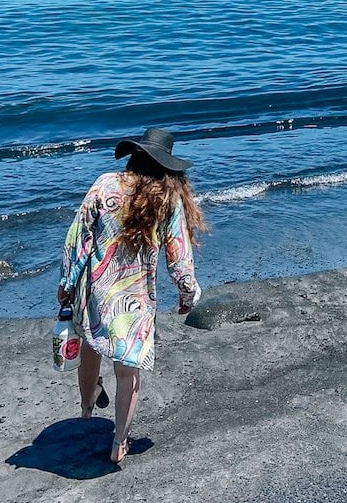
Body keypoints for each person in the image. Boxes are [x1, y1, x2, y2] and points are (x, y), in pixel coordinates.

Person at [57, 127, 207, 463]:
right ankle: (119, 443)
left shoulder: (105, 184)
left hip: (94, 291)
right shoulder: (167, 200)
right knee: (128, 374)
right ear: (168, 167)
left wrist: (66, 283)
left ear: (134, 156)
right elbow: (179, 255)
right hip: (134, 302)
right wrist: (187, 293)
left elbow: (78, 238)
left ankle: (85, 408)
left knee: (91, 348)